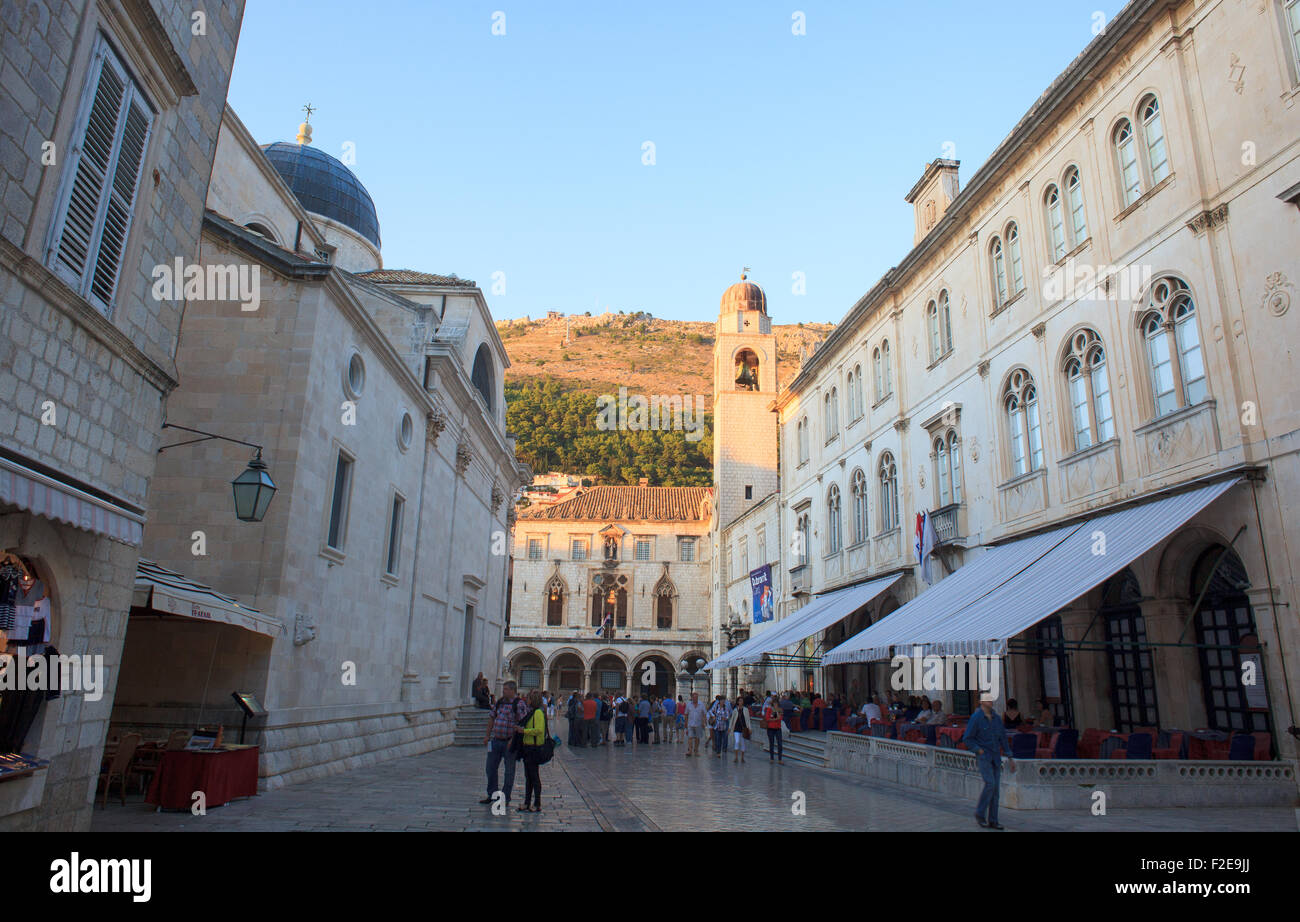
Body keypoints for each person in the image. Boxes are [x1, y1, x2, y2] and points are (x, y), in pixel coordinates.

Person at [962, 692, 1016, 829]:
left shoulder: (996, 718)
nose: (990, 702)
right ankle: (980, 813)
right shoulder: (976, 718)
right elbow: (967, 738)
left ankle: (993, 819)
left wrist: (1010, 757)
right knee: (990, 784)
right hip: (984, 756)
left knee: (996, 790)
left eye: (991, 700)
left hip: (995, 757)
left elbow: (1003, 738)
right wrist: (978, 750)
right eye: (987, 700)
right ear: (981, 702)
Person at [481, 680, 528, 808]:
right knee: (490, 768)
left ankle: (505, 797)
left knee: (509, 771)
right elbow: (492, 717)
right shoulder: (500, 702)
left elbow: (521, 723)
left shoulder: (519, 704)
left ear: (513, 690)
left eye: (506, 689)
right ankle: (493, 794)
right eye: (504, 689)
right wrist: (487, 735)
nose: (503, 691)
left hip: (509, 742)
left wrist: (513, 740)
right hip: (496, 740)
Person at [518, 689, 548, 813]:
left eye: (529, 698)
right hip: (528, 748)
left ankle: (537, 803)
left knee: (534, 777)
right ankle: (527, 802)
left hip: (534, 749)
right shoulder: (532, 712)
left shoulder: (538, 713)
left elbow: (539, 730)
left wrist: (523, 731)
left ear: (533, 700)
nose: (527, 700)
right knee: (528, 777)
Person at [728, 695, 751, 763]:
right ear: (738, 702)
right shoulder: (735, 710)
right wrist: (730, 728)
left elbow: (748, 720)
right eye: (740, 701)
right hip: (736, 728)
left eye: (742, 701)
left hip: (744, 728)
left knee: (743, 743)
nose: (741, 702)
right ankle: (736, 757)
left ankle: (742, 758)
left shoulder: (746, 710)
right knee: (737, 741)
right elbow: (732, 719)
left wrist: (749, 728)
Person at [763, 695, 784, 763]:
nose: (775, 705)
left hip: (778, 728)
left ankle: (780, 759)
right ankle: (772, 758)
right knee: (771, 743)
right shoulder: (769, 709)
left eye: (776, 703)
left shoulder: (780, 710)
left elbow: (780, 718)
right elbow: (767, 718)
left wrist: (775, 716)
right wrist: (775, 719)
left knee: (780, 744)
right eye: (774, 703)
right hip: (770, 728)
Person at [684, 692, 707, 756]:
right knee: (690, 737)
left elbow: (704, 714)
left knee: (697, 738)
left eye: (696, 697)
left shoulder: (701, 704)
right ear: (692, 698)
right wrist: (685, 723)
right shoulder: (688, 705)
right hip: (690, 724)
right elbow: (686, 714)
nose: (695, 699)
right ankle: (690, 751)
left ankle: (696, 750)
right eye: (694, 697)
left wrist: (704, 722)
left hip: (698, 724)